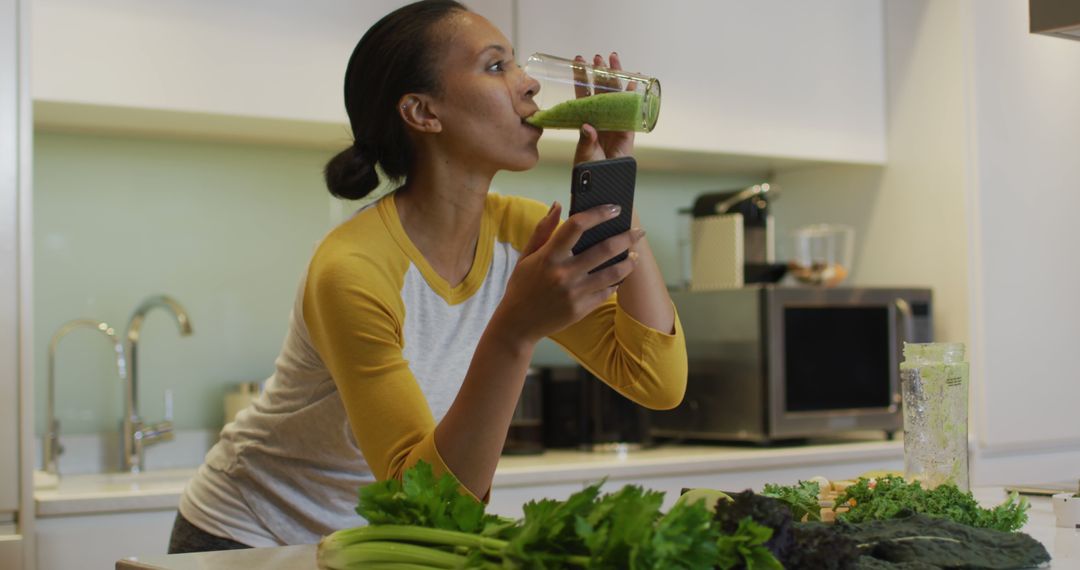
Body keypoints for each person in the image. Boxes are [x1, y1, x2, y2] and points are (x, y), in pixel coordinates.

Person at [168, 0, 686, 552]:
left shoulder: (523, 235)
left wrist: (613, 184)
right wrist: (515, 330)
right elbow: (426, 506)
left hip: (377, 542)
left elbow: (655, 381)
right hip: (251, 534)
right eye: (496, 66)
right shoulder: (353, 270)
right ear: (422, 112)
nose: (530, 83)